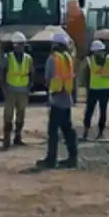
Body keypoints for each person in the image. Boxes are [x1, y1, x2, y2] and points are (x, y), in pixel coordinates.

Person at [39, 32, 79, 168]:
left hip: (56, 99)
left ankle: (51, 159)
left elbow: (48, 78)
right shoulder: (68, 58)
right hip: (67, 98)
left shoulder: (52, 59)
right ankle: (73, 158)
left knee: (53, 131)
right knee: (68, 129)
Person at [0, 32, 33, 149]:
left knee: (21, 116)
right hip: (10, 91)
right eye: (18, 44)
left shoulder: (28, 59)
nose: (20, 47)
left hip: (22, 91)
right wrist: (4, 88)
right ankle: (6, 139)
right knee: (8, 116)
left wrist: (29, 88)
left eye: (22, 45)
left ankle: (18, 137)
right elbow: (2, 74)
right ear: (14, 45)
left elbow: (31, 74)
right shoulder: (8, 58)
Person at [81, 39, 109, 141]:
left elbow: (84, 73)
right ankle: (100, 133)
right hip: (105, 89)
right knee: (102, 111)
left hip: (94, 89)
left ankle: (86, 131)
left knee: (90, 110)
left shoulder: (90, 59)